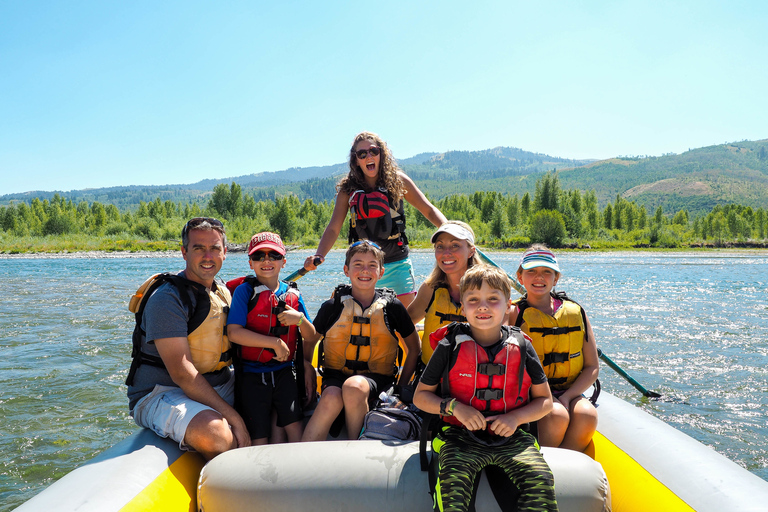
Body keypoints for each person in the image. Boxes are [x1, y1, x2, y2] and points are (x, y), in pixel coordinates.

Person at [413, 265, 557, 512]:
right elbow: (420, 397)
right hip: (458, 437)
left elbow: (545, 401)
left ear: (508, 306)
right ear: (462, 308)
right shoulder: (449, 345)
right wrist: (455, 408)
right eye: (473, 300)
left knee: (540, 480)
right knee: (452, 489)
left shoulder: (522, 347)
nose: (483, 306)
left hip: (511, 437)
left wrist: (515, 418)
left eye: (493, 299)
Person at [126, 217, 249, 460]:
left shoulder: (221, 291)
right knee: (215, 434)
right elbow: (182, 373)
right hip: (162, 392)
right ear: (184, 252)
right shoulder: (167, 299)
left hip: (219, 383)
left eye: (214, 248)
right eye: (198, 248)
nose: (207, 256)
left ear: (225, 252)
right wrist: (234, 417)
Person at [303, 131, 447, 307]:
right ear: (356, 160)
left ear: (381, 153)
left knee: (405, 321)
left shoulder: (398, 181)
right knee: (365, 321)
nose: (368, 156)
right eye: (362, 154)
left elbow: (429, 210)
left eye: (373, 151)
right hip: (364, 268)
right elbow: (334, 228)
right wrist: (319, 254)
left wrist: (452, 231)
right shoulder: (347, 190)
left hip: (397, 263)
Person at [302, 240, 421, 441]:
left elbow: (413, 347)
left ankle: (355, 446)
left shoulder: (393, 307)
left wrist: (400, 388)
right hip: (335, 377)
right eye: (357, 264)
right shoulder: (332, 306)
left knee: (354, 387)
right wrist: (307, 369)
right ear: (346, 270)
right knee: (331, 396)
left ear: (381, 272)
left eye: (372, 265)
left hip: (378, 381)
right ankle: (303, 455)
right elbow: (309, 341)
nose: (365, 270)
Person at [226, 232, 318, 445]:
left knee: (294, 427)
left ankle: (299, 472)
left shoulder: (293, 294)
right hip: (251, 376)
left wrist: (300, 320)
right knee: (259, 438)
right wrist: (274, 343)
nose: (266, 261)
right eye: (259, 256)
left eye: (273, 255)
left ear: (283, 262)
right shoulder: (244, 292)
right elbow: (234, 332)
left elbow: (311, 336)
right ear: (251, 263)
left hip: (285, 374)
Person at [509, 245, 599, 453]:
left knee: (587, 414)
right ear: (520, 277)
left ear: (555, 278)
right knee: (556, 414)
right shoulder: (513, 313)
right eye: (531, 271)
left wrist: (567, 397)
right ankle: (545, 468)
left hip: (569, 391)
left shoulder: (576, 312)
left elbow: (592, 367)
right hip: (532, 394)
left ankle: (567, 469)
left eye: (546, 272)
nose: (538, 277)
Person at [407, 221, 480, 365]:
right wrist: (416, 350)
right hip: (431, 378)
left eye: (455, 246)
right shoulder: (430, 289)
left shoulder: (488, 288)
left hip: (473, 379)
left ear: (471, 251)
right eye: (440, 246)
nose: (446, 253)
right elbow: (404, 325)